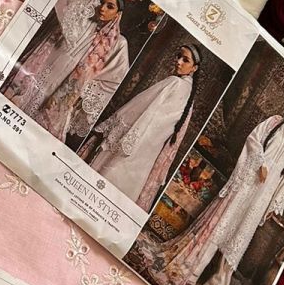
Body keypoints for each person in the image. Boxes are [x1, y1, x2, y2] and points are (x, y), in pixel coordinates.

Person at [144, 93, 284, 285]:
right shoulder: (275, 121)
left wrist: (275, 203)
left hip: (263, 195)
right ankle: (194, 270)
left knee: (239, 238)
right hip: (249, 180)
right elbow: (253, 140)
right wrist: (261, 163)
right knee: (223, 225)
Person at [4, 0, 141, 142]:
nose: (103, 8)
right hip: (39, 74)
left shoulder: (117, 43)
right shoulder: (80, 20)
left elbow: (114, 79)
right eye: (102, 2)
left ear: (118, 14)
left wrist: (75, 91)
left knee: (31, 137)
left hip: (61, 93)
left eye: (110, 6)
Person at [83, 44, 202, 208]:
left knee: (103, 180)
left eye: (185, 60)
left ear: (194, 68)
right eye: (179, 56)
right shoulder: (188, 94)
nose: (179, 61)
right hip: (147, 152)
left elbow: (140, 107)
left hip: (137, 139)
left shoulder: (175, 83)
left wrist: (119, 128)